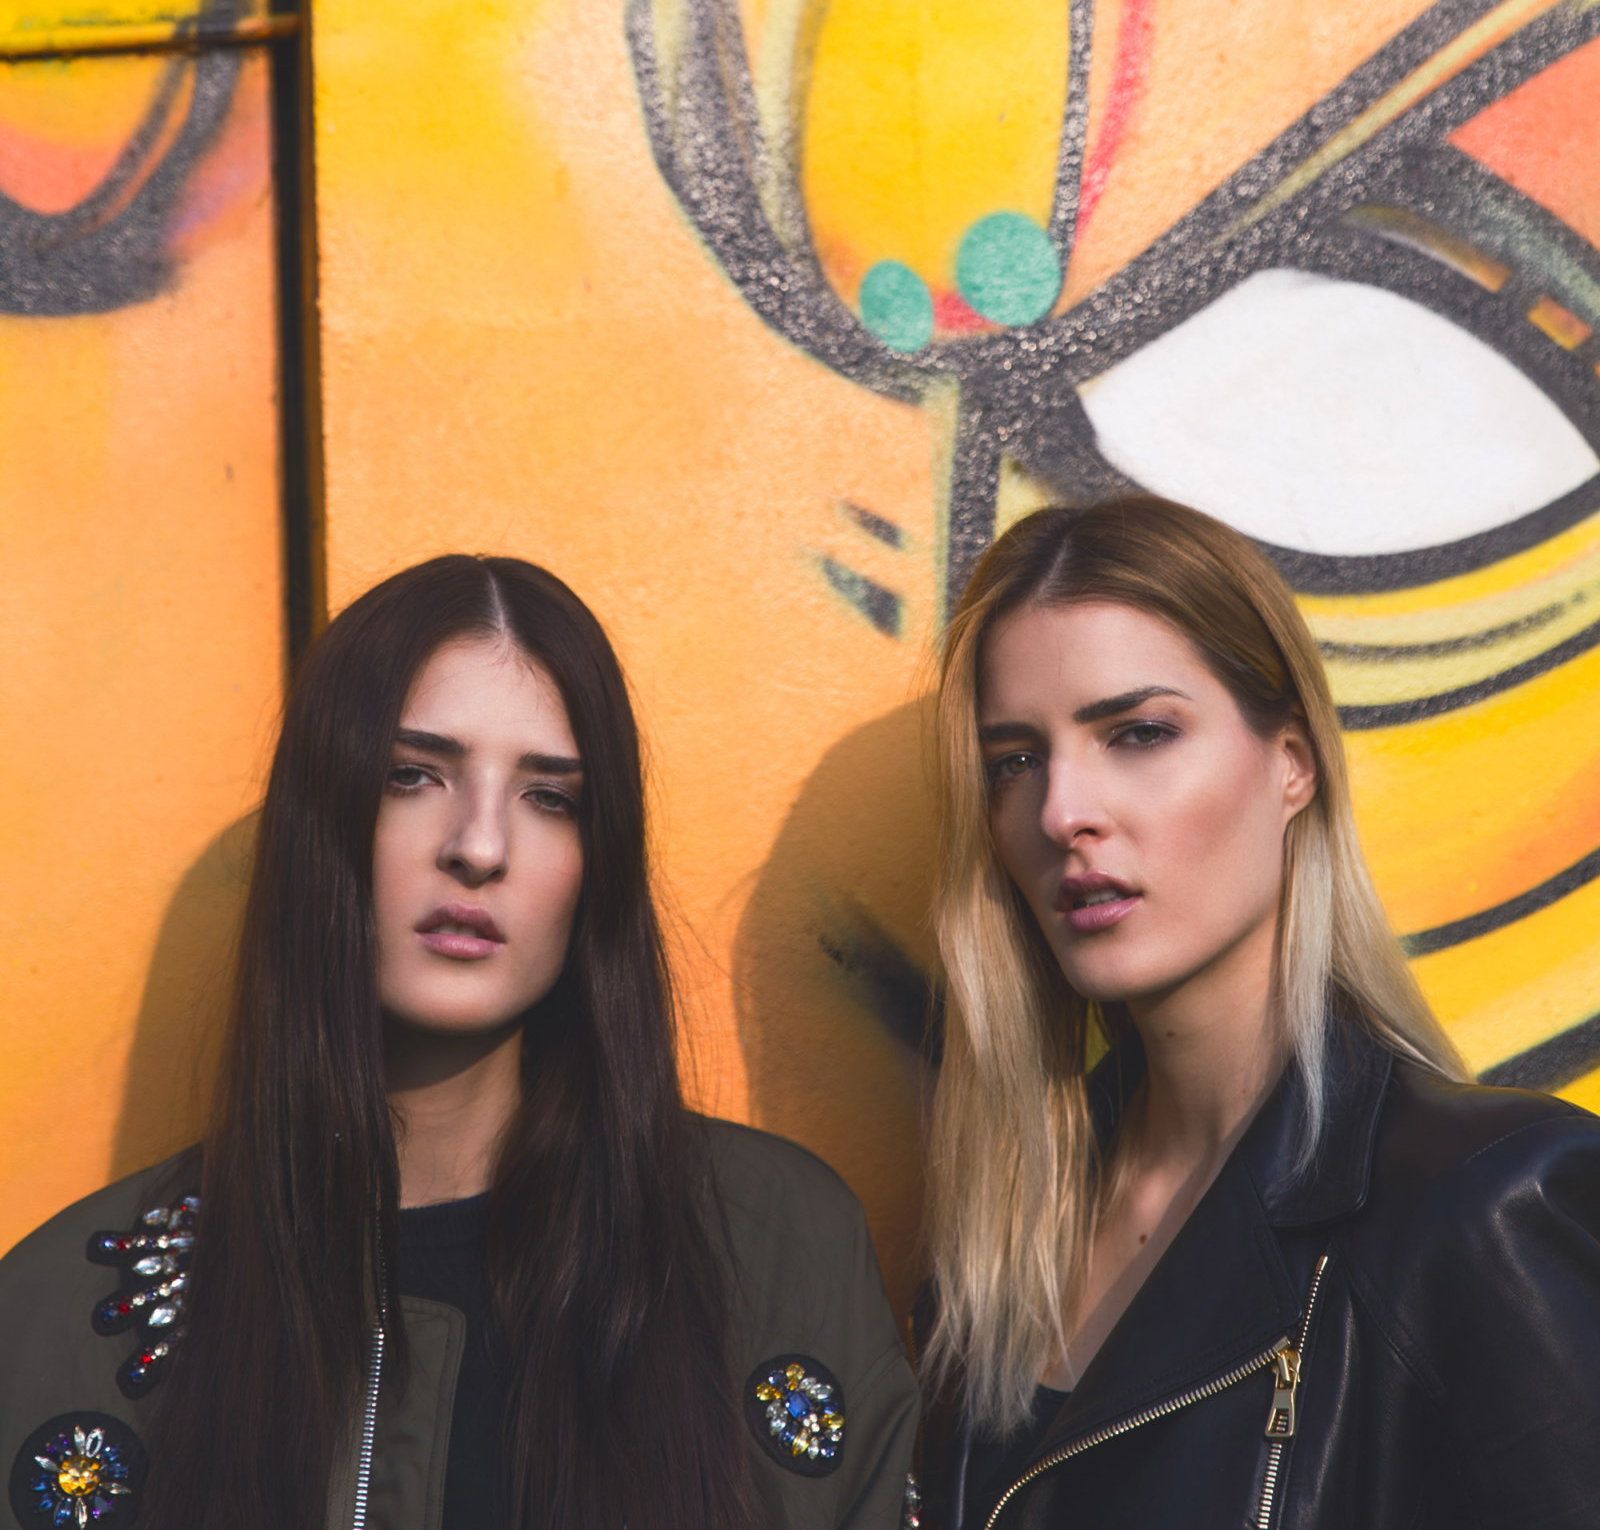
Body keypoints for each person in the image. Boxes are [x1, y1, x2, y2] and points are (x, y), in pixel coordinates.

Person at [0, 555, 919, 1530]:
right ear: (322, 821)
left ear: (597, 864)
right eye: (412, 776)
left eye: (549, 796)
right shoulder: (65, 1308)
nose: (479, 847)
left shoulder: (777, 1241)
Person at [916, 495, 1600, 1530]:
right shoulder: (992, 1244)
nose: (1062, 812)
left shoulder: (1484, 1209)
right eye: (1014, 760)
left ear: (1292, 762)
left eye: (1139, 733)